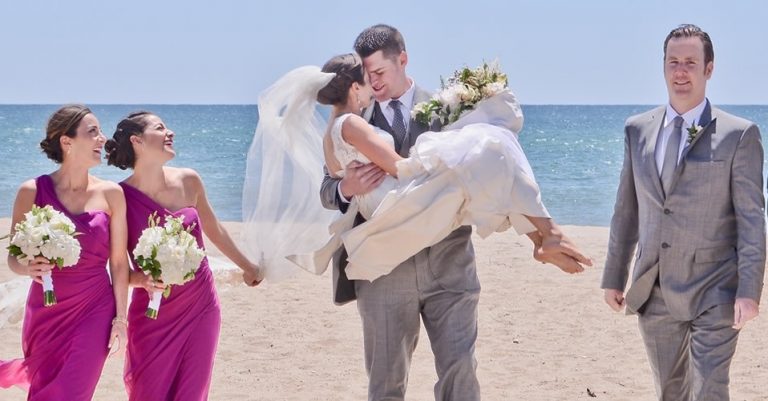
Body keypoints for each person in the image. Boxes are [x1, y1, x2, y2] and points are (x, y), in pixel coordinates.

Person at [312, 25, 589, 401]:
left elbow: (481, 172)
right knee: (386, 385)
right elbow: (329, 188)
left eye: (379, 72)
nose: (373, 82)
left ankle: (543, 236)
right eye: (367, 74)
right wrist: (347, 188)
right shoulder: (353, 119)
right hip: (385, 276)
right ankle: (543, 233)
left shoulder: (448, 105)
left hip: (450, 267)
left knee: (461, 376)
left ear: (403, 60)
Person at [601, 24, 765, 400]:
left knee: (709, 387)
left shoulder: (740, 135)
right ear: (663, 67)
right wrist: (614, 275)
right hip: (654, 287)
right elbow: (626, 211)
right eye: (673, 62)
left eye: (691, 62)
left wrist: (748, 291)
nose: (680, 71)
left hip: (716, 289)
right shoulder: (636, 130)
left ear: (709, 69)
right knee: (671, 391)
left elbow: (752, 220)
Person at [105, 111, 261, 401]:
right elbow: (117, 264)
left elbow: (215, 230)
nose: (170, 132)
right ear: (137, 141)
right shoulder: (119, 196)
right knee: (148, 392)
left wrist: (247, 266)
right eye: (160, 127)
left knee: (192, 392)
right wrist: (142, 279)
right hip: (152, 315)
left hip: (200, 305)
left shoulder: (189, 180)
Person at [0, 104, 130, 400]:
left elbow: (119, 262)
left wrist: (120, 319)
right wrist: (27, 268)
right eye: (93, 132)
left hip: (95, 309)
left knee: (72, 391)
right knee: (44, 388)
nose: (103, 139)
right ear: (67, 141)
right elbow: (14, 256)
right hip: (45, 312)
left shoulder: (111, 194)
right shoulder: (31, 191)